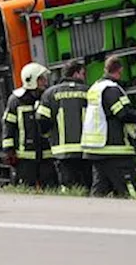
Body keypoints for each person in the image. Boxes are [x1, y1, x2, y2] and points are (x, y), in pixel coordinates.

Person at [81, 54, 136, 198]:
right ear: (120, 70)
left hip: (96, 149)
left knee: (99, 192)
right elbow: (124, 114)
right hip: (115, 149)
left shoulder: (95, 88)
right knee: (129, 191)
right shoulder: (112, 89)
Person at [37, 60, 91, 191]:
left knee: (68, 189)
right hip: (86, 150)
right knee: (88, 187)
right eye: (83, 74)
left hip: (62, 152)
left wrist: (49, 134)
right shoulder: (89, 92)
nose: (84, 77)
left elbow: (41, 119)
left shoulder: (50, 94)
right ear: (76, 74)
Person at [1, 61, 57, 188]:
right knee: (25, 190)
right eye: (41, 79)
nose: (44, 82)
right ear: (32, 80)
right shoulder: (15, 100)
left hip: (46, 155)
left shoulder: (46, 97)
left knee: (51, 189)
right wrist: (9, 151)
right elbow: (8, 125)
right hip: (24, 158)